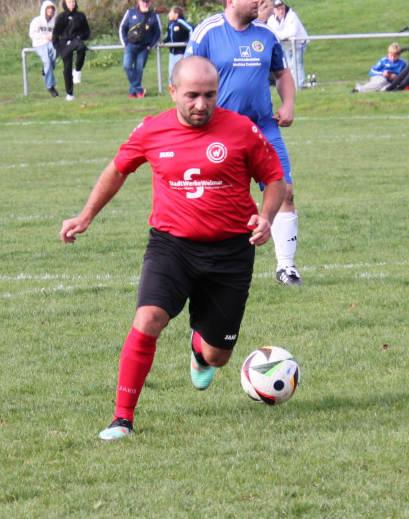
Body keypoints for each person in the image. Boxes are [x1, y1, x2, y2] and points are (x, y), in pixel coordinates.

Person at [59, 56, 286, 440]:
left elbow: (275, 178)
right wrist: (86, 215)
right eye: (193, 96)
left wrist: (266, 216)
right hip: (171, 246)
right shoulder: (151, 130)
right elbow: (117, 169)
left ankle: (200, 350)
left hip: (231, 252)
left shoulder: (241, 130)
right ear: (173, 92)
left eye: (210, 95)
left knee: (218, 356)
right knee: (147, 319)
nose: (202, 104)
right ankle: (122, 419)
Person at [186, 0, 303, 286]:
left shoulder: (265, 34)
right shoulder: (207, 33)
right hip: (219, 131)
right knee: (216, 197)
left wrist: (288, 103)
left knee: (285, 191)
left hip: (264, 127)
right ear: (231, 0)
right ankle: (207, 263)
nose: (258, 0)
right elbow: (186, 77)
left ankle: (286, 267)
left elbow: (282, 73)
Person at [119, 0, 163, 98]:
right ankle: (138, 89)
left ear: (150, 2)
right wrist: (125, 42)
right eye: (143, 2)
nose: (145, 4)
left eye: (147, 2)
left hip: (144, 48)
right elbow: (122, 28)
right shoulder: (130, 13)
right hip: (130, 46)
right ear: (138, 2)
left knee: (139, 69)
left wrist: (150, 46)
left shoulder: (154, 16)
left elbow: (158, 33)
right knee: (127, 66)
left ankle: (133, 92)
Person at [52, 0, 90, 101]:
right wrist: (58, 46)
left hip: (76, 41)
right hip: (65, 44)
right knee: (67, 68)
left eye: (73, 1)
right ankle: (69, 93)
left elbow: (87, 31)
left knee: (81, 47)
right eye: (69, 2)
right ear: (65, 3)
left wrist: (80, 36)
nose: (72, 3)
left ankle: (78, 69)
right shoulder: (61, 17)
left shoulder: (80, 16)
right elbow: (56, 33)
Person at [265, 0, 310, 89]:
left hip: (298, 43)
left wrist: (279, 36)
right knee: (289, 65)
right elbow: (270, 32)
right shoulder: (271, 19)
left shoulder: (292, 16)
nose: (281, 11)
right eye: (278, 9)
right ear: (274, 11)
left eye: (282, 8)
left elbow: (292, 32)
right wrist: (280, 36)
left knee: (297, 64)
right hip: (286, 45)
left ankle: (300, 85)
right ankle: (293, 85)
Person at [28, 0, 58, 97]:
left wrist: (53, 37)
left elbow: (58, 33)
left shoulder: (55, 22)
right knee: (47, 61)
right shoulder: (37, 21)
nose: (50, 10)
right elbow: (32, 34)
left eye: (52, 9)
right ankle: (50, 86)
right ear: (44, 9)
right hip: (39, 44)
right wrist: (44, 37)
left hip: (51, 43)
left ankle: (45, 70)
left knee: (54, 55)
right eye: (48, 8)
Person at [164, 5, 193, 77]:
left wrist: (189, 40)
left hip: (180, 52)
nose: (169, 14)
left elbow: (191, 29)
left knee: (180, 71)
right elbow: (168, 35)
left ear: (176, 14)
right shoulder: (170, 24)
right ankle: (172, 87)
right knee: (171, 71)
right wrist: (164, 41)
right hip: (172, 52)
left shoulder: (180, 22)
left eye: (171, 12)